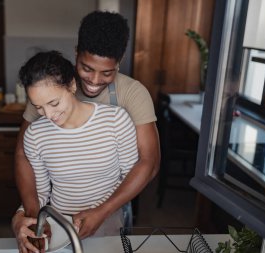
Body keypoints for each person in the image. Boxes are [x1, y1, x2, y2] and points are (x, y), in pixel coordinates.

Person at [13, 10, 160, 251]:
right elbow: (24, 154)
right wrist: (29, 215)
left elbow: (148, 163)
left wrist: (103, 210)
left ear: (119, 61)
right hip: (59, 217)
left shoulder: (130, 97)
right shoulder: (47, 90)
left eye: (107, 72)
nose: (93, 80)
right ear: (76, 54)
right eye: (86, 68)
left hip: (111, 212)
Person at [16, 50, 138, 252]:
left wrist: (100, 212)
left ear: (72, 85)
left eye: (53, 103)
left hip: (107, 223)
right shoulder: (35, 136)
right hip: (59, 226)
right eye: (38, 107)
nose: (48, 115)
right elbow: (41, 191)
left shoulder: (116, 120)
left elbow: (130, 177)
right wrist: (23, 217)